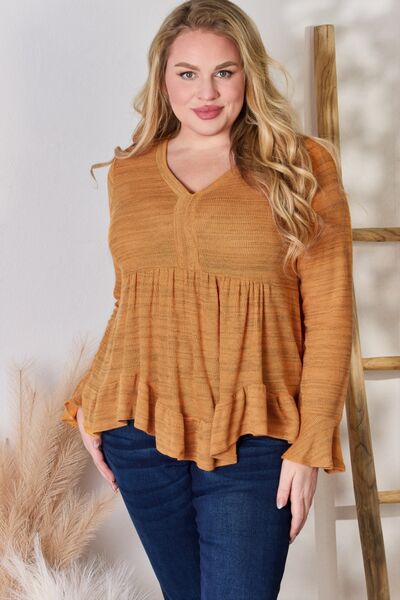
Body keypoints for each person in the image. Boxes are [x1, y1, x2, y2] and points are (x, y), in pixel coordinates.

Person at [61, 1, 353, 598]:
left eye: (224, 71)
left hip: (255, 438)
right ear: (162, 79)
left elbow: (329, 316)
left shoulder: (300, 166)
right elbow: (130, 301)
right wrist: (91, 397)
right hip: (139, 433)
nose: (207, 92)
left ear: (249, 74)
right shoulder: (130, 172)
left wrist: (310, 445)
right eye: (187, 73)